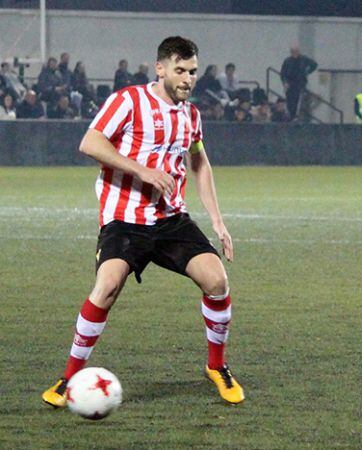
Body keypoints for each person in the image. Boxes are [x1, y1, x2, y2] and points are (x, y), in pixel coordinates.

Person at [41, 36, 245, 409]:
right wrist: (142, 171)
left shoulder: (191, 115)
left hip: (171, 221)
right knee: (107, 286)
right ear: (161, 68)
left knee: (217, 280)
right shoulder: (128, 101)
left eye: (193, 72)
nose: (188, 79)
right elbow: (90, 143)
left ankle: (217, 366)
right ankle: (69, 376)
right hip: (124, 220)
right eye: (180, 70)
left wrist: (218, 221)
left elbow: (199, 162)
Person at [280, 46, 317, 120]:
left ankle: (298, 116)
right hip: (290, 83)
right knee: (290, 100)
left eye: (297, 51)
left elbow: (314, 64)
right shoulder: (287, 60)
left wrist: (307, 72)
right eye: (293, 51)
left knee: (299, 100)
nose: (295, 53)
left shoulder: (304, 59)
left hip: (300, 82)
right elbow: (283, 73)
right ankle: (291, 115)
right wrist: (285, 82)